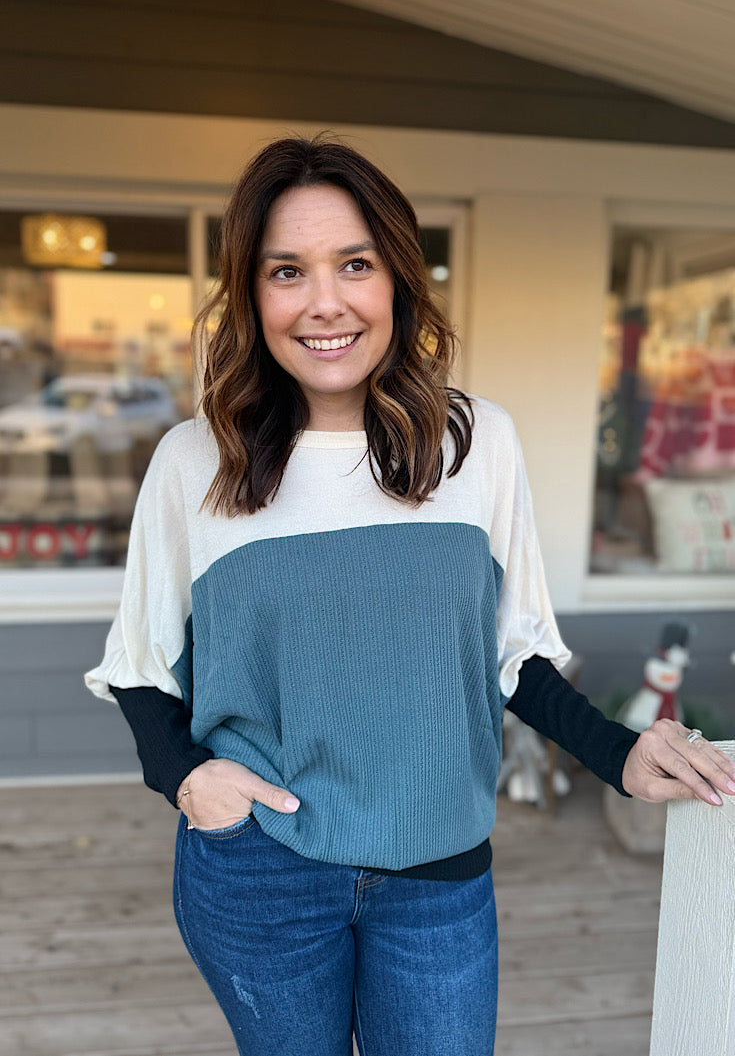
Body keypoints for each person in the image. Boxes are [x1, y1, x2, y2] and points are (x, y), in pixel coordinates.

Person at [85, 135, 735, 1056]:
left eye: (354, 264)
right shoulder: (197, 461)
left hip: (436, 874)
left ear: (396, 276)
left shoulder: (476, 444)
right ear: (251, 294)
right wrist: (191, 781)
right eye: (286, 270)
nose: (325, 302)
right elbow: (140, 664)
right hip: (262, 867)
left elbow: (509, 651)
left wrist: (618, 752)